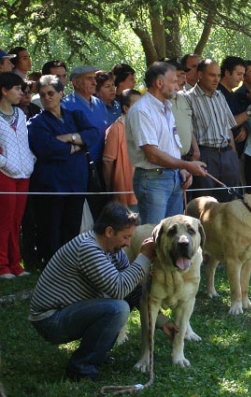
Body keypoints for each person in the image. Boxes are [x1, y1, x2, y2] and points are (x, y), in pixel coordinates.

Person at [29, 202, 177, 381]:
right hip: (50, 319)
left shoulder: (111, 249)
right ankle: (81, 368)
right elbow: (119, 289)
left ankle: (96, 352)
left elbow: (132, 291)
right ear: (109, 231)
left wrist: (161, 321)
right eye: (125, 237)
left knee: (121, 303)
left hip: (65, 311)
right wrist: (144, 257)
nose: (129, 243)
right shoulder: (88, 248)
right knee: (117, 308)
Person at [28, 74, 101, 266]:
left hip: (76, 182)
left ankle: (69, 266)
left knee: (72, 227)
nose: (47, 98)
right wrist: (77, 145)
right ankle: (52, 267)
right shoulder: (36, 122)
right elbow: (46, 147)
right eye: (42, 95)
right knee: (51, 228)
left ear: (61, 93)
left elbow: (93, 135)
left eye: (51, 93)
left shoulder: (75, 116)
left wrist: (70, 137)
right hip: (51, 184)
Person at [126, 62, 207, 224]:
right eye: (173, 82)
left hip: (174, 177)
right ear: (159, 83)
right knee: (153, 236)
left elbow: (170, 146)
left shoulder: (167, 107)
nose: (177, 87)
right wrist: (186, 165)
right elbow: (152, 154)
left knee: (174, 235)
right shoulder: (142, 110)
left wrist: (181, 169)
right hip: (152, 180)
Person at [186, 58, 240, 202]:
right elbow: (187, 131)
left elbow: (228, 127)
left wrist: (233, 155)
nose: (216, 79)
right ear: (200, 75)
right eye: (212, 75)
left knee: (230, 204)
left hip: (226, 154)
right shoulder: (188, 98)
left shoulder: (220, 96)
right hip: (205, 155)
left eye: (218, 75)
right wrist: (195, 155)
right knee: (204, 204)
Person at [62, 65, 111, 220]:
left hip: (104, 162)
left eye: (95, 78)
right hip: (81, 163)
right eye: (89, 78)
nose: (94, 82)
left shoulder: (99, 103)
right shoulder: (66, 105)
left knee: (103, 207)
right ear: (76, 82)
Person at [0, 72, 35, 279]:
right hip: (4, 173)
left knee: (16, 220)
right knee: (4, 220)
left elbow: (25, 143)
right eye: (16, 89)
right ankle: (2, 265)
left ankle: (15, 263)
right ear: (4, 91)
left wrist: (30, 160)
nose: (20, 93)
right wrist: (5, 163)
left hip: (24, 173)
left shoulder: (20, 115)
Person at [103, 89, 142, 210]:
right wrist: (111, 187)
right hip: (126, 191)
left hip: (144, 189)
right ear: (126, 108)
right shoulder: (116, 129)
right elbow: (107, 161)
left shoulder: (141, 126)